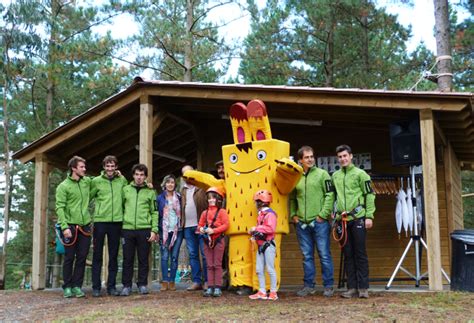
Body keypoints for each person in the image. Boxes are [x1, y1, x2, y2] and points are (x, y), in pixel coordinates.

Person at [290, 146, 335, 297]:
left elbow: (330, 196)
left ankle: (328, 286)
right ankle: (309, 286)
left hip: (320, 222)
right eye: (306, 157)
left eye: (311, 156)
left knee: (324, 254)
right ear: (300, 160)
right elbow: (292, 199)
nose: (310, 159)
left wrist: (323, 215)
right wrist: (293, 215)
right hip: (301, 224)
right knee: (306, 256)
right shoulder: (295, 177)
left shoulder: (323, 175)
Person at [332, 144, 375, 299]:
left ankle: (363, 288)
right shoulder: (335, 176)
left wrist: (369, 216)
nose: (343, 159)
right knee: (348, 254)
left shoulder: (361, 174)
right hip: (342, 220)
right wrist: (334, 215)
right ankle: (351, 288)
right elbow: (334, 197)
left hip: (358, 218)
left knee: (360, 253)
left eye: (345, 156)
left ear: (351, 156)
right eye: (340, 157)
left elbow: (369, 195)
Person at [90, 155, 128, 297]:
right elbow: (88, 197)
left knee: (113, 256)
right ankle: (96, 287)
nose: (110, 169)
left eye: (112, 166)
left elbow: (128, 194)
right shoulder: (96, 181)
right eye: (108, 166)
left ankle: (111, 287)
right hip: (100, 221)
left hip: (117, 222)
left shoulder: (122, 180)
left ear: (116, 167)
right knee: (97, 255)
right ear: (104, 167)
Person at [55, 156, 92, 298]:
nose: (84, 169)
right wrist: (64, 227)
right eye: (82, 167)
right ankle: (67, 287)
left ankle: (77, 286)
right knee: (69, 257)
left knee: (82, 257)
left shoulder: (86, 182)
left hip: (85, 226)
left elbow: (101, 181)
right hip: (69, 226)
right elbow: (60, 208)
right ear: (74, 168)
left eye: (84, 166)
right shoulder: (63, 186)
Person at [120, 164, 158, 296]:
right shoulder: (125, 190)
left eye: (142, 175)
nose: (139, 177)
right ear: (133, 175)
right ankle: (126, 285)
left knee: (143, 259)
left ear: (145, 177)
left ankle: (142, 284)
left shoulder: (150, 192)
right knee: (127, 259)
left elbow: (154, 212)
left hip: (144, 229)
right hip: (127, 229)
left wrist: (154, 230)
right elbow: (121, 208)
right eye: (137, 174)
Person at [198, 187, 229, 297]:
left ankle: (217, 287)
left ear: (218, 199)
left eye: (213, 198)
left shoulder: (222, 212)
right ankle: (210, 287)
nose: (211, 200)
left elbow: (226, 225)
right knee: (209, 265)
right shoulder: (204, 213)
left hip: (218, 240)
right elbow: (200, 225)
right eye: (209, 198)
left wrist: (214, 230)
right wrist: (201, 229)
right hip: (207, 241)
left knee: (217, 264)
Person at [181, 165, 208, 291]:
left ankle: (207, 281)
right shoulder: (182, 191)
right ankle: (197, 281)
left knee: (205, 253)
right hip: (187, 226)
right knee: (192, 255)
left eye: (189, 172)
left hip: (201, 226)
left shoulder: (202, 187)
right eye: (184, 174)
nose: (187, 176)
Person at [248, 190, 279, 301]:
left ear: (261, 202)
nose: (256, 204)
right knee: (259, 269)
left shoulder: (270, 214)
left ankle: (273, 292)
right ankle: (262, 291)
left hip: (268, 244)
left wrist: (256, 228)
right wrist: (254, 235)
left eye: (257, 202)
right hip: (261, 244)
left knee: (270, 269)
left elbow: (270, 229)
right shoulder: (261, 215)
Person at [157, 174, 183, 292]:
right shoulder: (160, 198)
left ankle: (172, 281)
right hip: (164, 231)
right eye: (168, 182)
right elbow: (157, 214)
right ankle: (165, 281)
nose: (170, 184)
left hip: (177, 231)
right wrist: (157, 230)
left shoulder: (179, 197)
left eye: (172, 182)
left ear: (175, 184)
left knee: (174, 257)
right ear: (164, 184)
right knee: (164, 256)